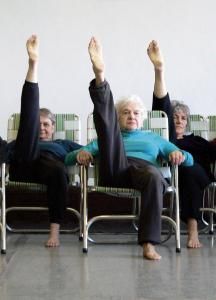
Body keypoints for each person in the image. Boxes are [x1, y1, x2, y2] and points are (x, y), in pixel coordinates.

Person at [65, 37, 194, 260]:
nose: (131, 116)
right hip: (115, 168)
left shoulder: (153, 138)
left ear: (142, 118)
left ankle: (148, 244)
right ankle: (100, 77)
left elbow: (190, 160)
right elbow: (68, 158)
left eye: (135, 113)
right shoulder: (111, 137)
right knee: (108, 134)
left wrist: (178, 154)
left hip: (145, 174)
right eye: (125, 112)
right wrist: (81, 153)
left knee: (154, 176)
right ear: (119, 117)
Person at [1, 35, 82, 247]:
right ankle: (33, 67)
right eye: (37, 124)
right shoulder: (22, 140)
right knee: (20, 140)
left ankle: (54, 231)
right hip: (24, 163)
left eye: (46, 124)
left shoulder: (64, 144)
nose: (42, 128)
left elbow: (89, 151)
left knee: (57, 170)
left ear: (53, 127)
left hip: (50, 169)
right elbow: (6, 155)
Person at [147, 40, 216, 248]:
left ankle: (192, 231)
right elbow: (163, 115)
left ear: (187, 122)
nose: (178, 121)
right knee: (178, 160)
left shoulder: (196, 140)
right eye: (175, 117)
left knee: (189, 169)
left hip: (196, 173)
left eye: (183, 118)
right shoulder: (163, 139)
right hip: (166, 174)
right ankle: (159, 72)